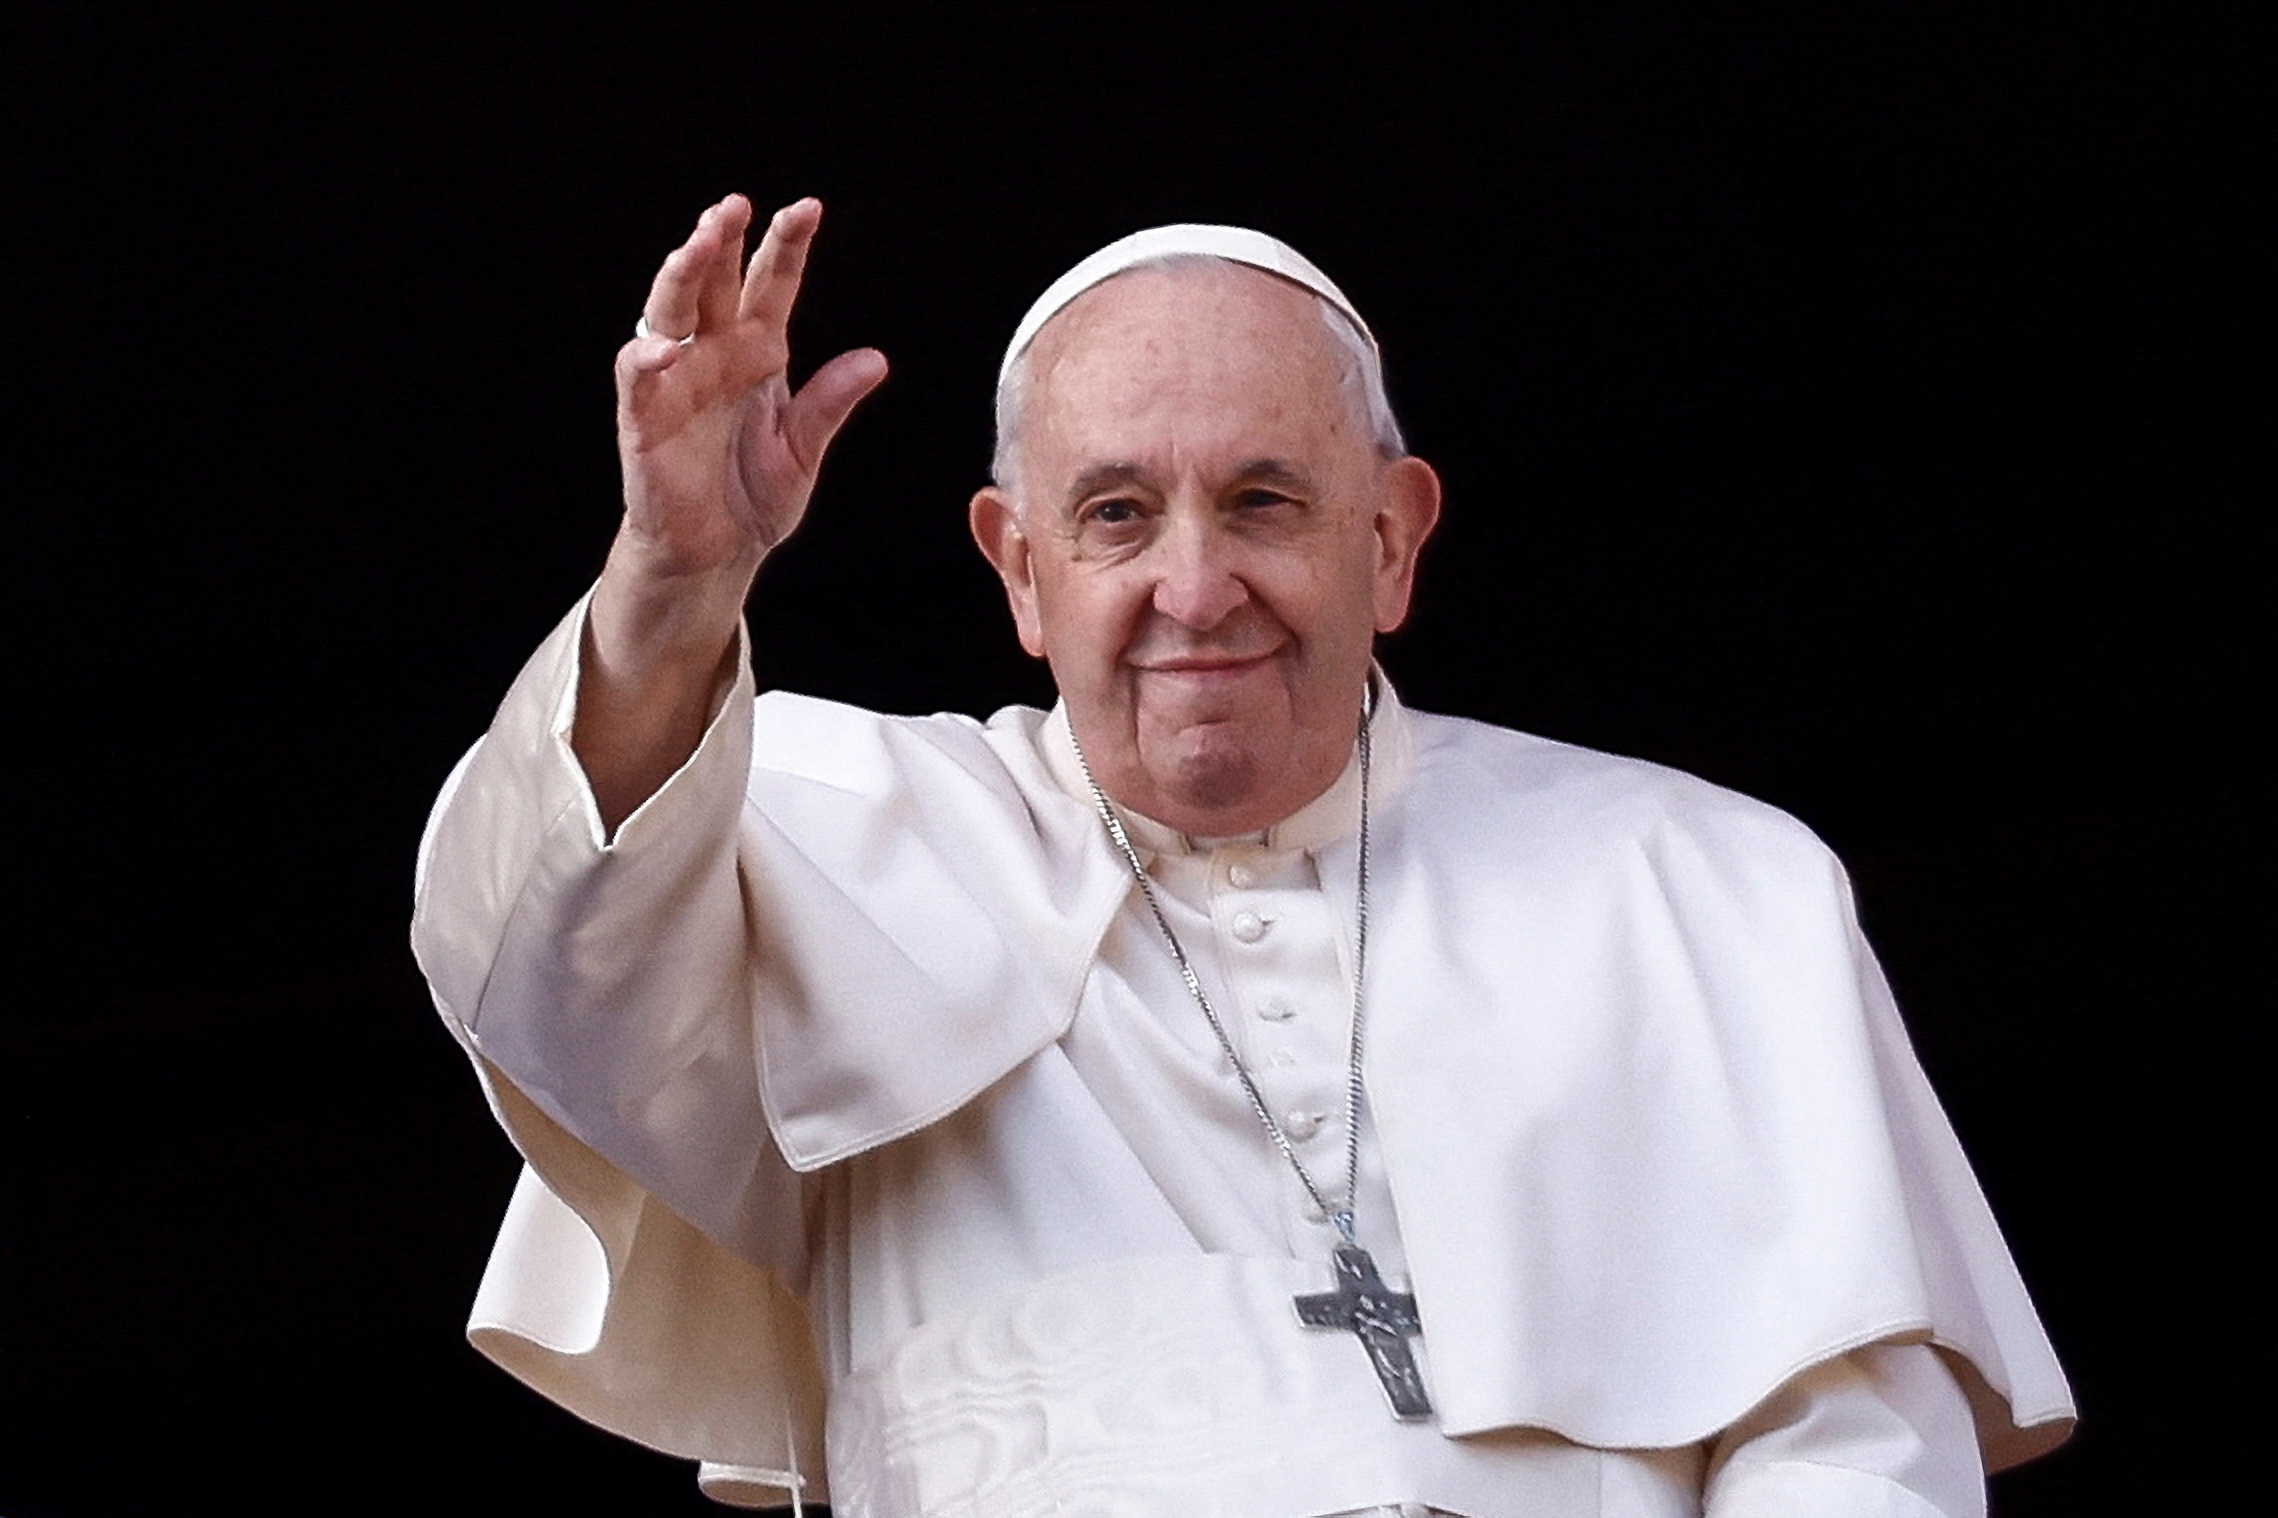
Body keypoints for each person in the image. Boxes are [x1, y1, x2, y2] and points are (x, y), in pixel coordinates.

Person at [413, 193, 2073, 1516]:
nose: (1193, 588)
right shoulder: (815, 837)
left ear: (1392, 535)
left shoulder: (1703, 887)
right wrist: (672, 582)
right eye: (1117, 514)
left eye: (1265, 501)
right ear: (1017, 570)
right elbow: (534, 954)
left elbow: (1855, 1448)